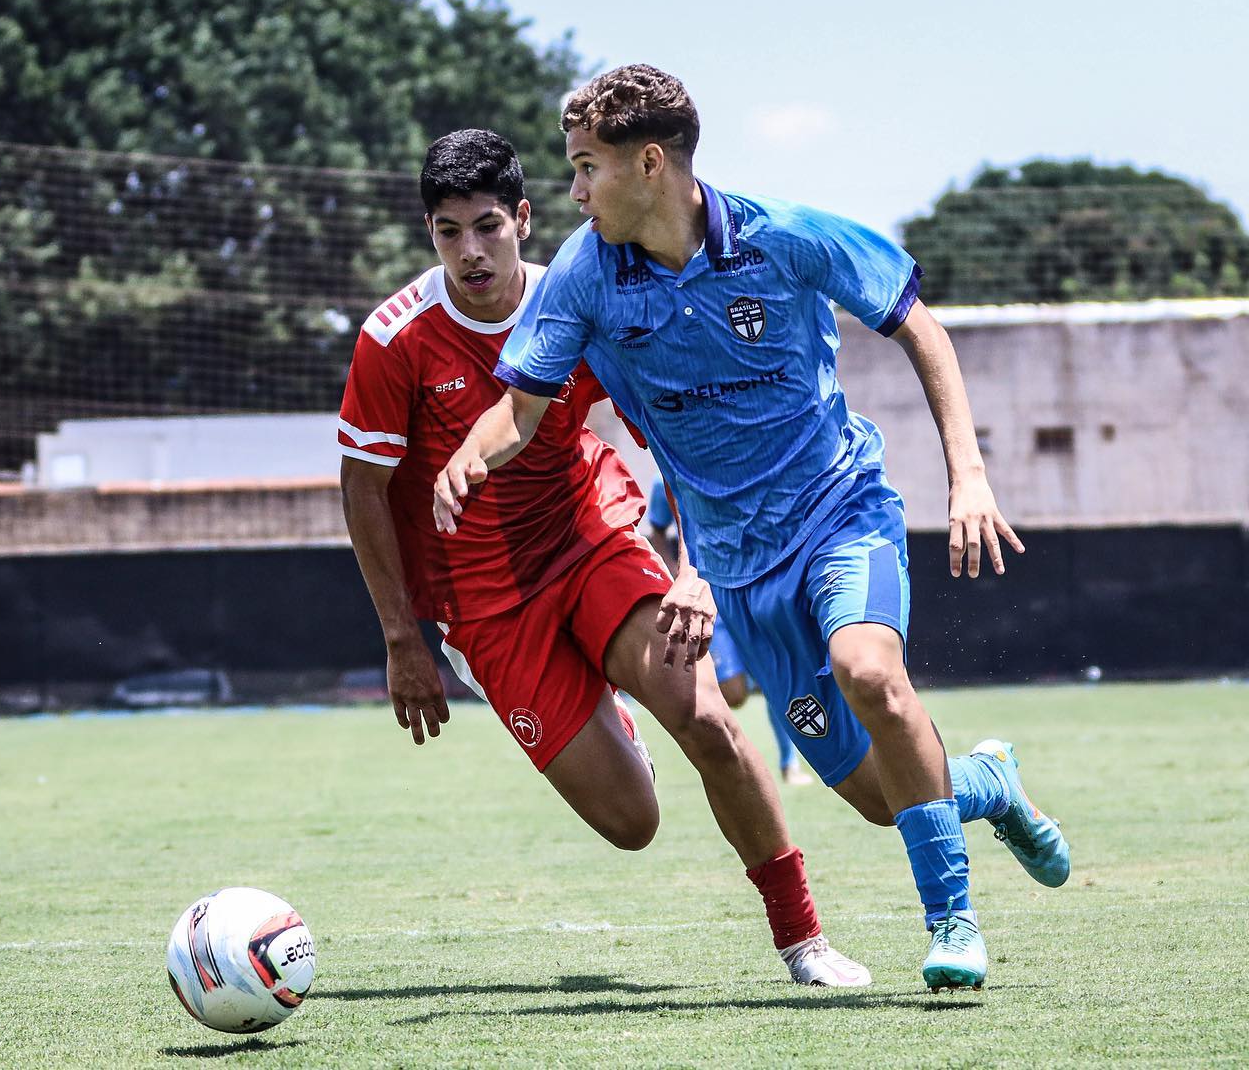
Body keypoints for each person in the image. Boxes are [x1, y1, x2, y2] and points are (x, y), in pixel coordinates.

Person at [432, 66, 1071, 993]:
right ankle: (989, 783)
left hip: (842, 510)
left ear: (650, 164)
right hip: (743, 572)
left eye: (584, 167)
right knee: (878, 796)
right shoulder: (583, 274)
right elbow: (521, 408)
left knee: (871, 675)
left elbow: (919, 328)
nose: (572, 191)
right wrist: (470, 454)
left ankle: (953, 924)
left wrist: (967, 476)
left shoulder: (786, 237)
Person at [340, 129, 869, 986]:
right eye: (447, 232)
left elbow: (681, 438)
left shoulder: (583, 298)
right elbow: (363, 490)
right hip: (484, 601)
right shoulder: (393, 338)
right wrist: (404, 639)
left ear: (521, 217)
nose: (470, 251)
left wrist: (696, 569)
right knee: (633, 823)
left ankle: (802, 940)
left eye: (487, 226)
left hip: (594, 536)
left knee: (706, 720)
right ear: (429, 235)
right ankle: (610, 713)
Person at [644, 476, 812, 786]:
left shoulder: (737, 468)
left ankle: (790, 765)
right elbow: (656, 530)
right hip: (708, 597)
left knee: (772, 675)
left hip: (750, 584)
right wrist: (676, 574)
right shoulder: (665, 480)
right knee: (734, 692)